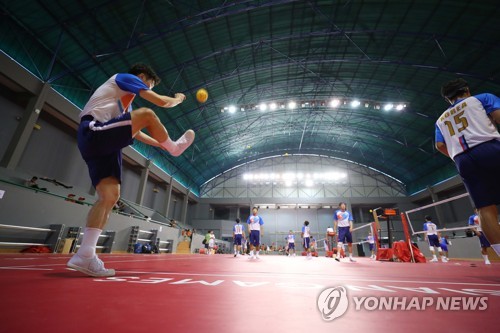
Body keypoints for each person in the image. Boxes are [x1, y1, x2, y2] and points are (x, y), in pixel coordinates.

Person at [67, 63, 195, 277]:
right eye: (150, 85)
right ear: (142, 77)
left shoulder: (123, 107)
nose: (149, 88)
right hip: (93, 130)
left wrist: (159, 144)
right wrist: (179, 99)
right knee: (148, 113)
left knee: (109, 197)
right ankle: (173, 149)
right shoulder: (123, 78)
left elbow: (136, 134)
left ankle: (85, 255)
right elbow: (161, 102)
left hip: (104, 141)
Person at [435, 78, 500, 257]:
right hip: (489, 147)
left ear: (448, 99)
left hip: (462, 160)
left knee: (484, 208)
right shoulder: (482, 99)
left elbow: (439, 145)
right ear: (466, 90)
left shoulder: (440, 120)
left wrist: (456, 156)